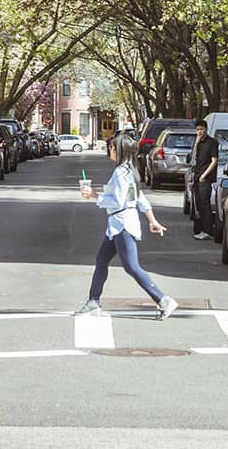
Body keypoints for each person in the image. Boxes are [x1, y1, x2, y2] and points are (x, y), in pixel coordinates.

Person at [74, 134, 177, 319]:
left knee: (131, 266)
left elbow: (119, 201)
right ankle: (93, 301)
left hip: (122, 224)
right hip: (117, 224)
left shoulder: (121, 173)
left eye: (112, 147)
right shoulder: (129, 171)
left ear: (119, 150)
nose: (110, 150)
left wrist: (94, 195)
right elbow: (140, 199)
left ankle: (162, 299)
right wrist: (152, 221)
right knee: (101, 260)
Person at [188, 119, 220, 240]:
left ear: (206, 129)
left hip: (205, 178)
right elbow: (194, 160)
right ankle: (200, 229)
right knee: (199, 205)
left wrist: (204, 175)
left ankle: (208, 231)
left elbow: (214, 161)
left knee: (205, 204)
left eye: (201, 129)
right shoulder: (198, 143)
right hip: (197, 177)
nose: (199, 132)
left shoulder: (212, 143)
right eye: (197, 130)